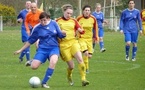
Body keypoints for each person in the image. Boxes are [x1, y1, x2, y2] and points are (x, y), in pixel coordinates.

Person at [14, 12, 66, 88]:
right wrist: (20, 50)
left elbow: (60, 35)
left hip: (54, 48)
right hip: (42, 49)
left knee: (53, 62)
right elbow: (30, 41)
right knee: (34, 67)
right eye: (41, 20)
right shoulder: (37, 28)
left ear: (48, 19)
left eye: (44, 20)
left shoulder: (54, 23)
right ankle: (32, 61)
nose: (42, 22)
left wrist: (63, 34)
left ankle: (44, 82)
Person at [56, 4, 89, 86]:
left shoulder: (73, 21)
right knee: (71, 66)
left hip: (73, 42)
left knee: (80, 60)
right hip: (64, 45)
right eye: (67, 13)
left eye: (71, 13)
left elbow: (80, 29)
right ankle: (69, 76)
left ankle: (83, 79)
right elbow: (53, 33)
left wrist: (81, 30)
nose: (69, 15)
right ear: (64, 11)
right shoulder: (57, 21)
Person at [76, 5, 99, 73]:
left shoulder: (93, 18)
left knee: (89, 56)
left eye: (88, 10)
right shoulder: (79, 18)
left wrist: (96, 37)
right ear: (83, 11)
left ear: (90, 11)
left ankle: (82, 63)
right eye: (86, 10)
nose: (87, 12)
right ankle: (86, 68)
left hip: (90, 39)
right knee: (85, 53)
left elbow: (95, 28)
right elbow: (75, 27)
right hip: (81, 38)